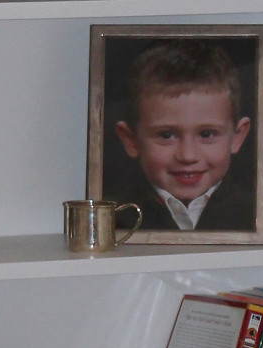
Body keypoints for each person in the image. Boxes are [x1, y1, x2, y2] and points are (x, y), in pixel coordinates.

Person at [108, 39, 255, 234]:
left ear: (237, 137)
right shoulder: (112, 218)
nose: (187, 156)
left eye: (206, 134)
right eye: (166, 135)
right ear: (131, 140)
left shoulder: (254, 215)